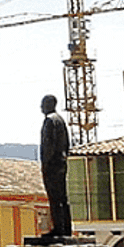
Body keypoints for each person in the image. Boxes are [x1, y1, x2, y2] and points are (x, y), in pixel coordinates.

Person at [40, 94, 74, 238]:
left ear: (49, 105)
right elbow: (67, 144)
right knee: (62, 198)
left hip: (52, 164)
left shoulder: (50, 121)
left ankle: (58, 228)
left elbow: (48, 145)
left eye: (43, 104)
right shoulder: (60, 121)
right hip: (61, 162)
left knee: (54, 198)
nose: (41, 107)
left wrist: (45, 163)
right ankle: (66, 228)